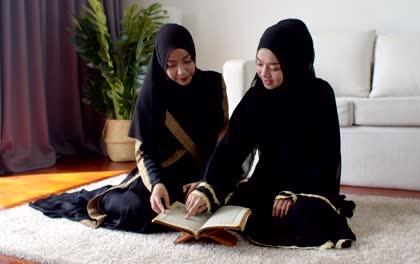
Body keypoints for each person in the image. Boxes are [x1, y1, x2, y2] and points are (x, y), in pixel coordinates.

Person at [30, 23, 229, 233]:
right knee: (140, 212)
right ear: (161, 62)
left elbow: (221, 141)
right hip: (164, 175)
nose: (181, 71)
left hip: (205, 171)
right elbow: (145, 151)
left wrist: (204, 183)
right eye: (171, 64)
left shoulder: (213, 84)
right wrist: (156, 185)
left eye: (187, 61)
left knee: (233, 203)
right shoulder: (152, 94)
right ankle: (105, 198)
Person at [185, 19, 356, 248]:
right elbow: (231, 146)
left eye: (274, 67)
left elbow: (326, 156)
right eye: (259, 63)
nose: (264, 73)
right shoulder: (257, 97)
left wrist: (293, 192)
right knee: (230, 201)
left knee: (309, 215)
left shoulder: (319, 95)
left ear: (294, 63)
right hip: (267, 185)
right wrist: (208, 186)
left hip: (305, 187)